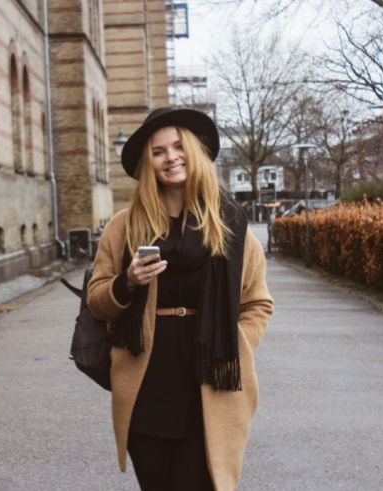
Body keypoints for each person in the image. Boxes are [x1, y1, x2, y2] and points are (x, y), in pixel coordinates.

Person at [87, 107, 274, 490]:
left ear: (194, 151)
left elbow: (258, 302)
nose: (170, 157)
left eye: (178, 146)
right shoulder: (125, 226)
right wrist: (128, 283)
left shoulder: (230, 225)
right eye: (158, 151)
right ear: (148, 162)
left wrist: (238, 344)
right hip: (145, 382)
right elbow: (97, 301)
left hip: (210, 381)